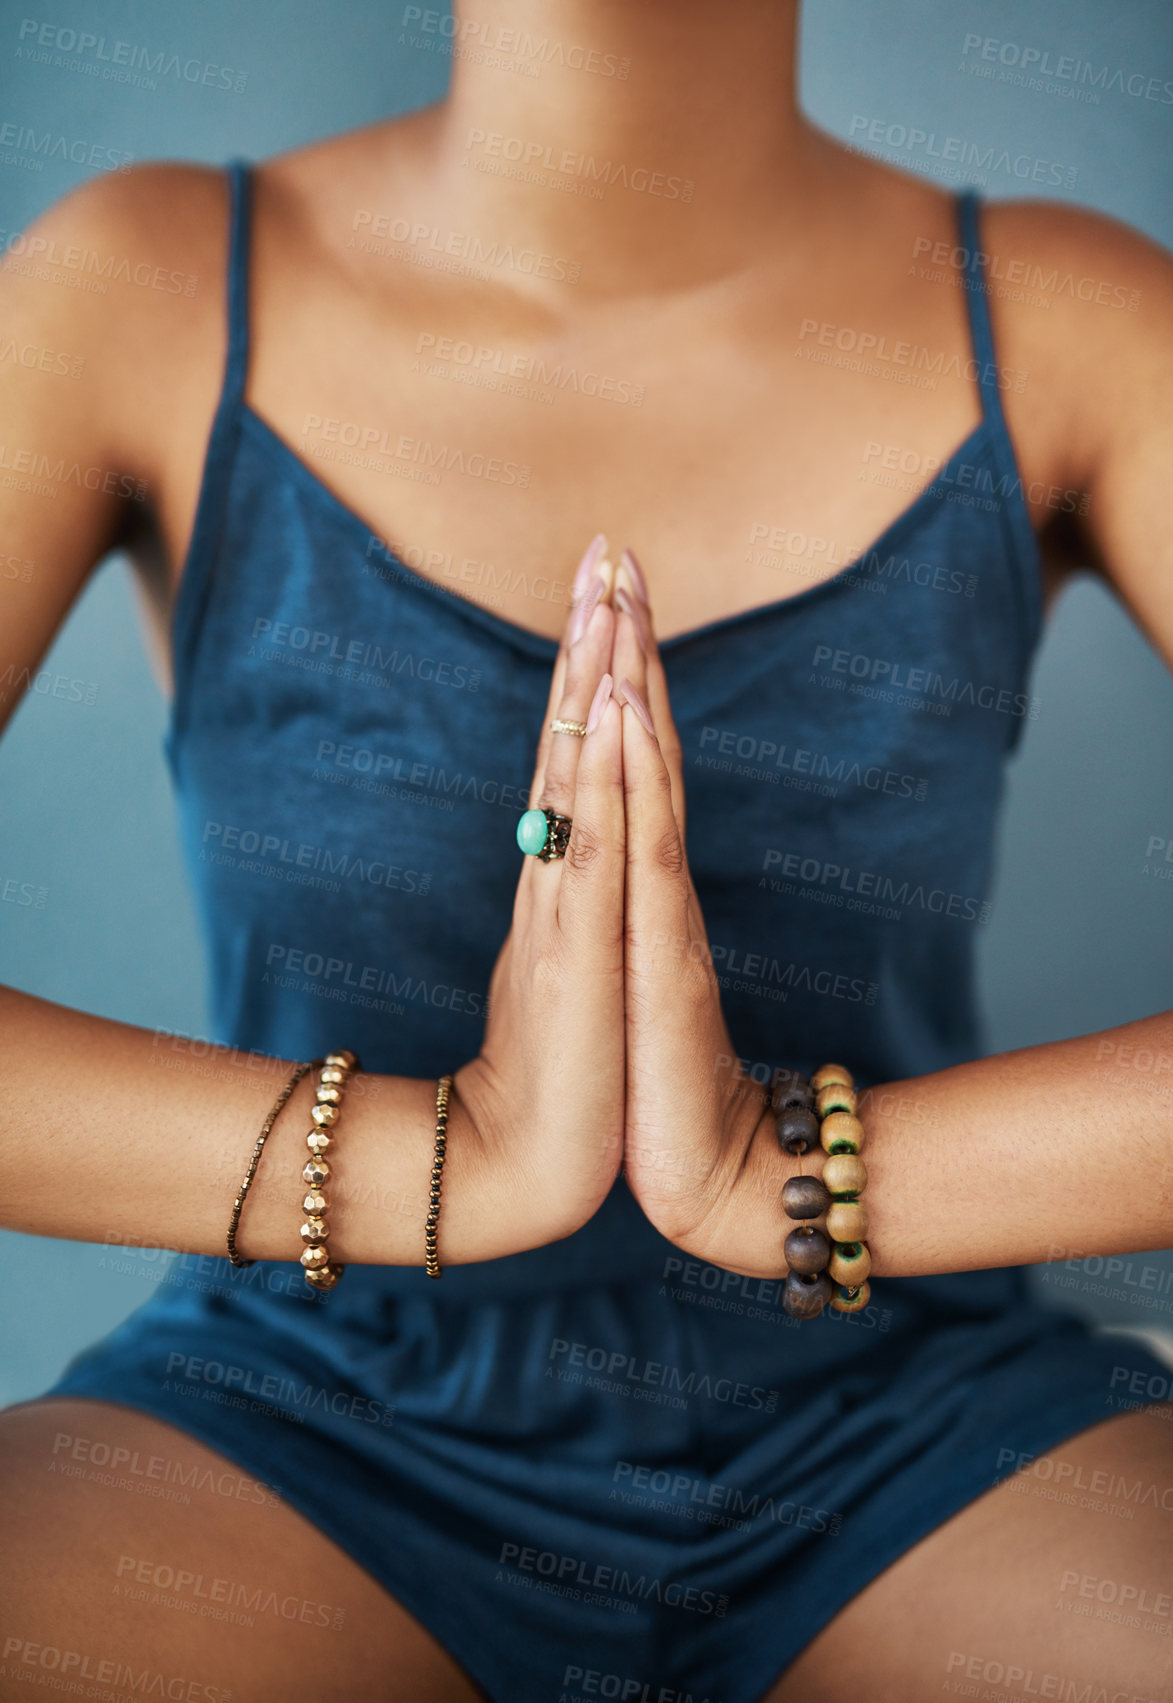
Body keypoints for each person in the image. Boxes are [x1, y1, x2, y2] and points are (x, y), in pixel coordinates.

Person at [1, 3, 1170, 1698]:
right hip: (293, 1433)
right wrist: (452, 1163)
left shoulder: (1074, 323)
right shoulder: (138, 287)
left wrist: (796, 1184)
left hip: (924, 1435)